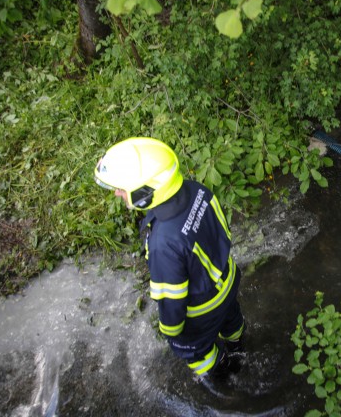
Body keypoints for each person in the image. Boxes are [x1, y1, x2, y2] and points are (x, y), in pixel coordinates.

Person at [94, 137, 245, 383]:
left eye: (122, 187)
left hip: (202, 309)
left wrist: (172, 331)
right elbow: (222, 232)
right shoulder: (196, 190)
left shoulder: (163, 242)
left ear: (144, 192)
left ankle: (225, 375)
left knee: (194, 350)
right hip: (228, 280)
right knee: (231, 319)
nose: (116, 192)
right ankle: (238, 346)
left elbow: (172, 298)